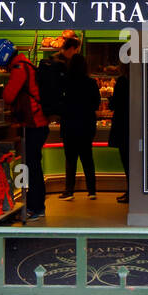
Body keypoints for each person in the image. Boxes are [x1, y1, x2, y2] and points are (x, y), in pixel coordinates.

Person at [0, 38, 48, 222]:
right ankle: (34, 204)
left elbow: (8, 96)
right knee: (33, 166)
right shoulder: (25, 64)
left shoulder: (19, 69)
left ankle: (36, 206)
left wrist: (0, 90)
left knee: (33, 167)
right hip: (37, 124)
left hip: (34, 124)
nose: (0, 66)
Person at [59, 52, 100, 200]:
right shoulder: (91, 83)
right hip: (86, 126)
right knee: (87, 159)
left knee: (70, 159)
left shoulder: (66, 82)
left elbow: (61, 104)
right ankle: (92, 191)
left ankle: (69, 191)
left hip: (69, 125)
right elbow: (96, 104)